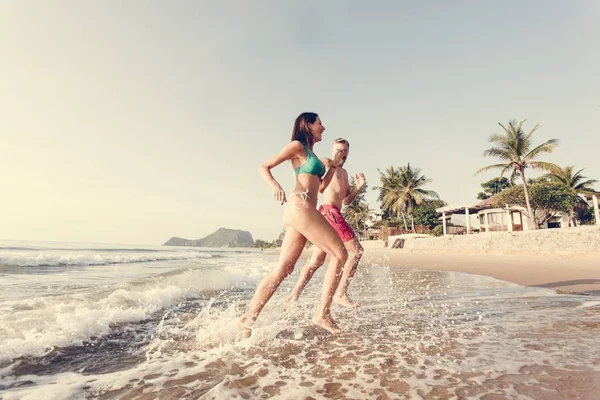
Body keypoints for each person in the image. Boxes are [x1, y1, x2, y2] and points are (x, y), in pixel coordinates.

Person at [240, 112, 348, 336]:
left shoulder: (312, 155)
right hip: (301, 206)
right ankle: (323, 314)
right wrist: (274, 185)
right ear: (308, 125)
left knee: (284, 269)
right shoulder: (297, 146)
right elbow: (264, 166)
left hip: (302, 209)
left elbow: (320, 187)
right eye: (319, 123)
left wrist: (335, 166)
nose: (323, 128)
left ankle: (248, 318)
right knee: (340, 254)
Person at [286, 138, 365, 307]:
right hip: (329, 211)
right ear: (331, 150)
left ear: (348, 152)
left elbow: (347, 201)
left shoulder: (344, 173)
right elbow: (318, 183)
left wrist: (358, 187)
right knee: (356, 252)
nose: (341, 153)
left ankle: (294, 294)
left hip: (333, 212)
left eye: (344, 150)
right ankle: (341, 293)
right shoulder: (326, 162)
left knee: (317, 260)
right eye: (337, 149)